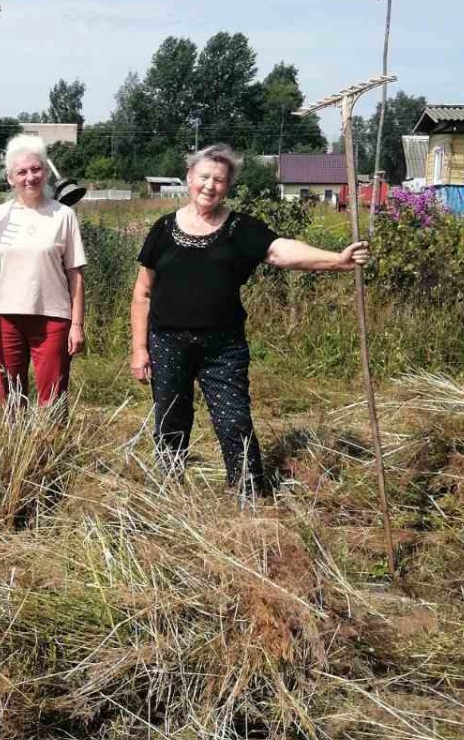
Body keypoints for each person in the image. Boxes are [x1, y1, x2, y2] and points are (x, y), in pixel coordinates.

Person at [130, 144, 370, 498]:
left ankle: (248, 495)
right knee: (170, 420)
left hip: (222, 347)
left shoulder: (241, 228)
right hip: (167, 342)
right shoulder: (164, 229)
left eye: (220, 180)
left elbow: (280, 251)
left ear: (228, 186)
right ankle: (170, 492)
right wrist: (139, 348)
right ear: (189, 179)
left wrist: (336, 260)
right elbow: (142, 293)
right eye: (204, 177)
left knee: (234, 422)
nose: (210, 186)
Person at [0, 132, 86, 405]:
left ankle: (51, 447)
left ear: (45, 171)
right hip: (5, 317)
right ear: (10, 178)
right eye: (21, 172)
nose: (30, 177)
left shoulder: (63, 216)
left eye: (36, 169)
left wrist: (77, 324)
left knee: (54, 398)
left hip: (53, 318)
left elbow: (75, 274)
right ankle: (13, 447)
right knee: (9, 397)